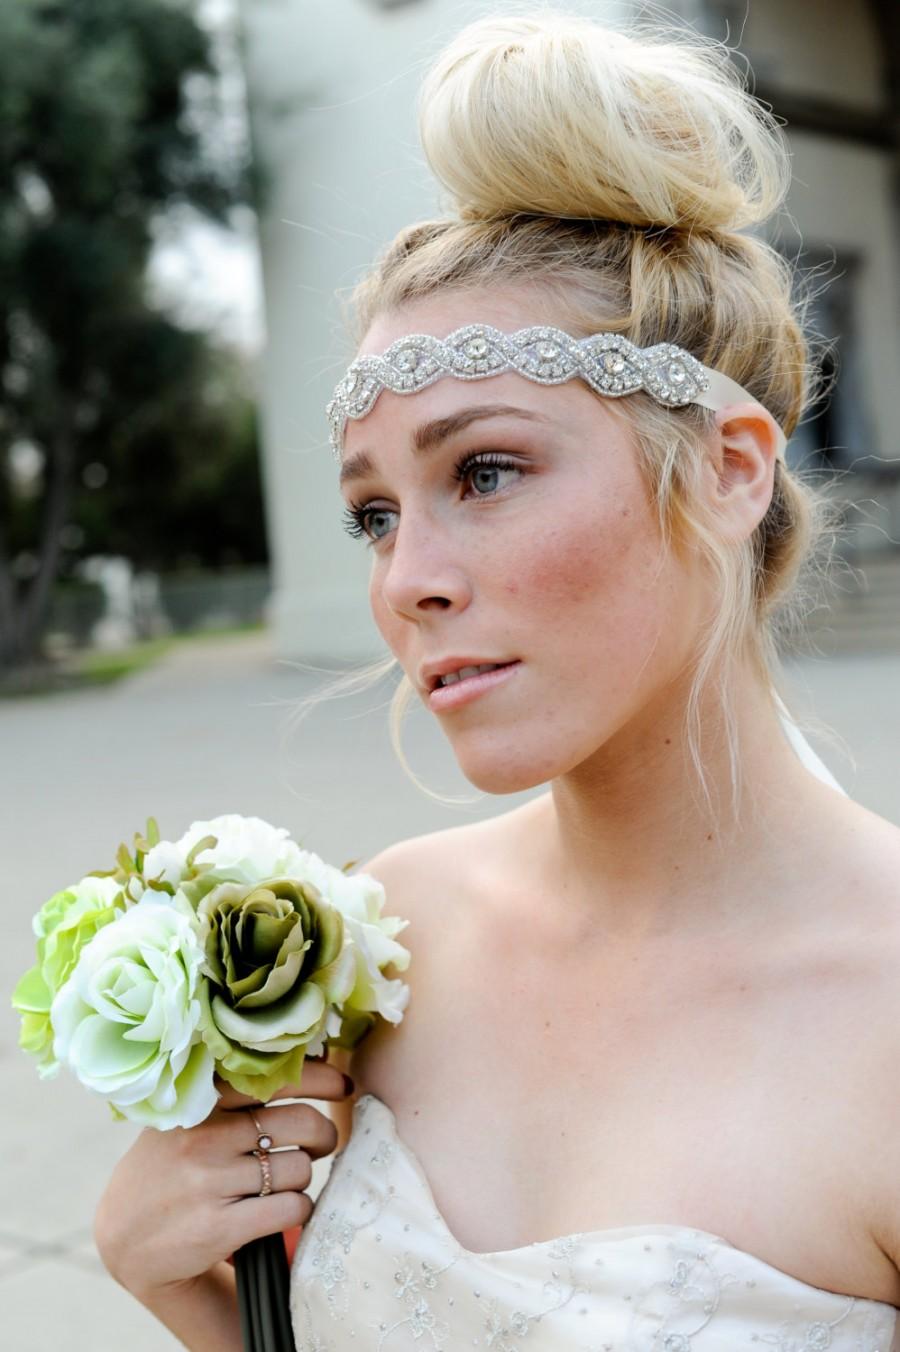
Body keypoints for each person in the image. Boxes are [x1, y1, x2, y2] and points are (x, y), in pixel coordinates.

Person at [94, 10, 900, 1350]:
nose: (409, 576)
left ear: (729, 468)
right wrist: (183, 1287)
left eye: (483, 472)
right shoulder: (388, 938)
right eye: (374, 513)